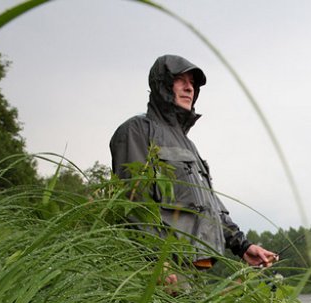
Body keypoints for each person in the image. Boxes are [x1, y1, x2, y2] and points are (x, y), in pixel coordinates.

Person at [110, 55, 276, 283]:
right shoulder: (136, 131)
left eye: (193, 83)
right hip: (162, 273)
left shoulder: (189, 145)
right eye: (180, 80)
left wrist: (244, 246)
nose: (189, 87)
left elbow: (211, 207)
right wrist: (159, 263)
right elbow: (134, 204)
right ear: (162, 84)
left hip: (196, 271)